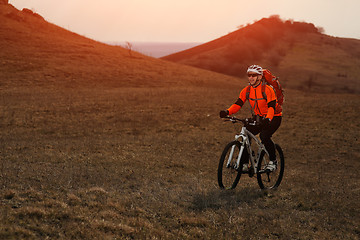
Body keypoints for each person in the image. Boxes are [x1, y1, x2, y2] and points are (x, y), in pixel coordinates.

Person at [219, 65, 282, 171]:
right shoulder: (246, 90)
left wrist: (268, 119)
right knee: (245, 134)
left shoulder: (268, 90)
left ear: (260, 77)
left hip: (274, 117)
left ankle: (273, 161)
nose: (251, 77)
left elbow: (271, 107)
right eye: (249, 75)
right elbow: (238, 104)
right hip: (259, 118)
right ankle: (244, 164)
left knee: (264, 136)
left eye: (254, 75)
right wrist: (227, 111)